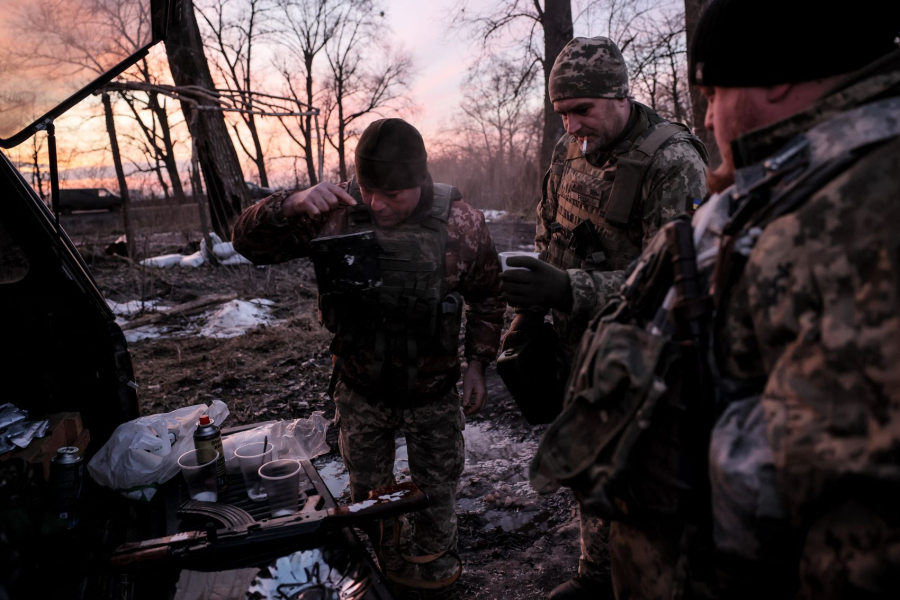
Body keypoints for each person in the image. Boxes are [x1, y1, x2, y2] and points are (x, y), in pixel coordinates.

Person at [532, 1, 900, 598]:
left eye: (712, 92)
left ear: (776, 77)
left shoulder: (845, 218)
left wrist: (571, 291)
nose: (706, 119)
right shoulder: (795, 186)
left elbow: (848, 522)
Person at [232, 118, 504, 596]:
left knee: (436, 496)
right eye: (368, 189)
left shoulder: (462, 223)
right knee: (369, 500)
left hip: (434, 391)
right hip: (359, 389)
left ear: (420, 181)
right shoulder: (333, 211)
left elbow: (488, 297)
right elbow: (246, 242)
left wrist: (478, 364)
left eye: (392, 195)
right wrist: (291, 203)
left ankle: (437, 574)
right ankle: (384, 570)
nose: (377, 204)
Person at [499, 36, 708, 600]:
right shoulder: (569, 152)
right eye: (561, 112)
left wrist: (568, 289)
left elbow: (678, 284)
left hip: (644, 358)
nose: (570, 125)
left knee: (639, 483)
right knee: (588, 464)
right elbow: (550, 233)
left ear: (619, 95)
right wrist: (532, 309)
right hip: (576, 344)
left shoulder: (673, 163)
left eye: (582, 110)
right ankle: (595, 576)